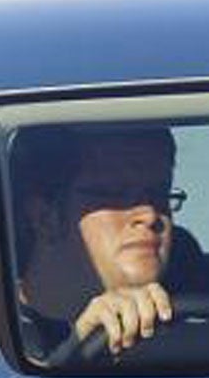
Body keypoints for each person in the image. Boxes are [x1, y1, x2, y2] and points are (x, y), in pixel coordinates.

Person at [13, 125, 182, 356]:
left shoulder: (202, 325)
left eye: (159, 193)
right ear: (44, 218)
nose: (149, 215)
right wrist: (76, 351)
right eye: (112, 195)